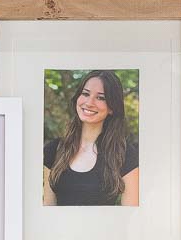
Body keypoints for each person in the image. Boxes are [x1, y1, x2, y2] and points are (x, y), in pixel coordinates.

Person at [43, 70, 139, 207]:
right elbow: (48, 206)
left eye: (101, 98)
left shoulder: (125, 154)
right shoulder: (53, 150)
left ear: (112, 107)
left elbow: (132, 215)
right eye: (85, 94)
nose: (89, 102)